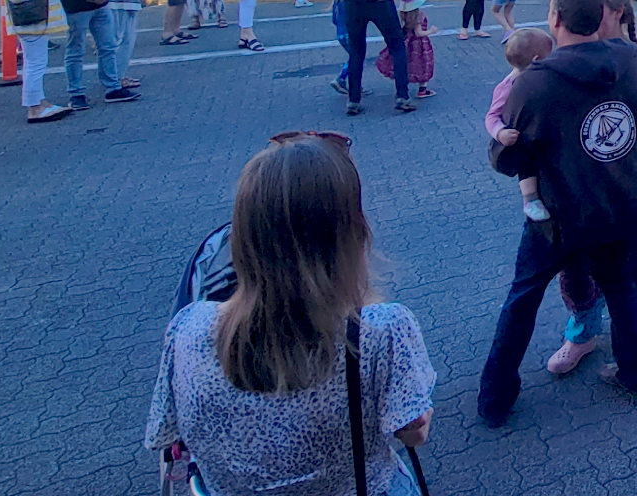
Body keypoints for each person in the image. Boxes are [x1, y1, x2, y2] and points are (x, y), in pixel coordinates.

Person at [144, 134, 436, 496]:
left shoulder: (188, 328)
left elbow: (166, 433)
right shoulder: (381, 330)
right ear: (351, 234)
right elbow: (413, 433)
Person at [478, 0, 637, 421]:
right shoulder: (631, 59)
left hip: (560, 213)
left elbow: (508, 157)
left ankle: (495, 397)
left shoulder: (535, 82)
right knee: (619, 285)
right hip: (619, 204)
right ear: (601, 16)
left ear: (555, 19)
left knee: (523, 296)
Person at [0, 0, 71, 123]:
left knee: (35, 63)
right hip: (32, 22)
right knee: (35, 64)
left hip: (34, 22)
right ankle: (34, 107)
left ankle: (40, 102)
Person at [489, 27, 557, 222]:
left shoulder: (542, 78)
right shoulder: (507, 86)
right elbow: (492, 116)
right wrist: (500, 132)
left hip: (539, 132)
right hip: (519, 137)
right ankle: (530, 199)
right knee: (527, 165)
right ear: (536, 60)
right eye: (550, 55)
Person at [374, 0, 435, 99]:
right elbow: (419, 33)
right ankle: (422, 89)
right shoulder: (419, 15)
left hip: (407, 41)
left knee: (407, 63)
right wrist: (431, 31)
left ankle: (402, 85)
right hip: (420, 44)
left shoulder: (404, 13)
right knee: (423, 64)